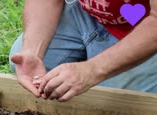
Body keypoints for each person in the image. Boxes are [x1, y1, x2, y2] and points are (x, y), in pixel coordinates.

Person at [9, 0, 157, 102]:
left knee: (121, 101)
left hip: (144, 28)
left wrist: (92, 70)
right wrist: (33, 51)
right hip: (86, 15)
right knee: (25, 60)